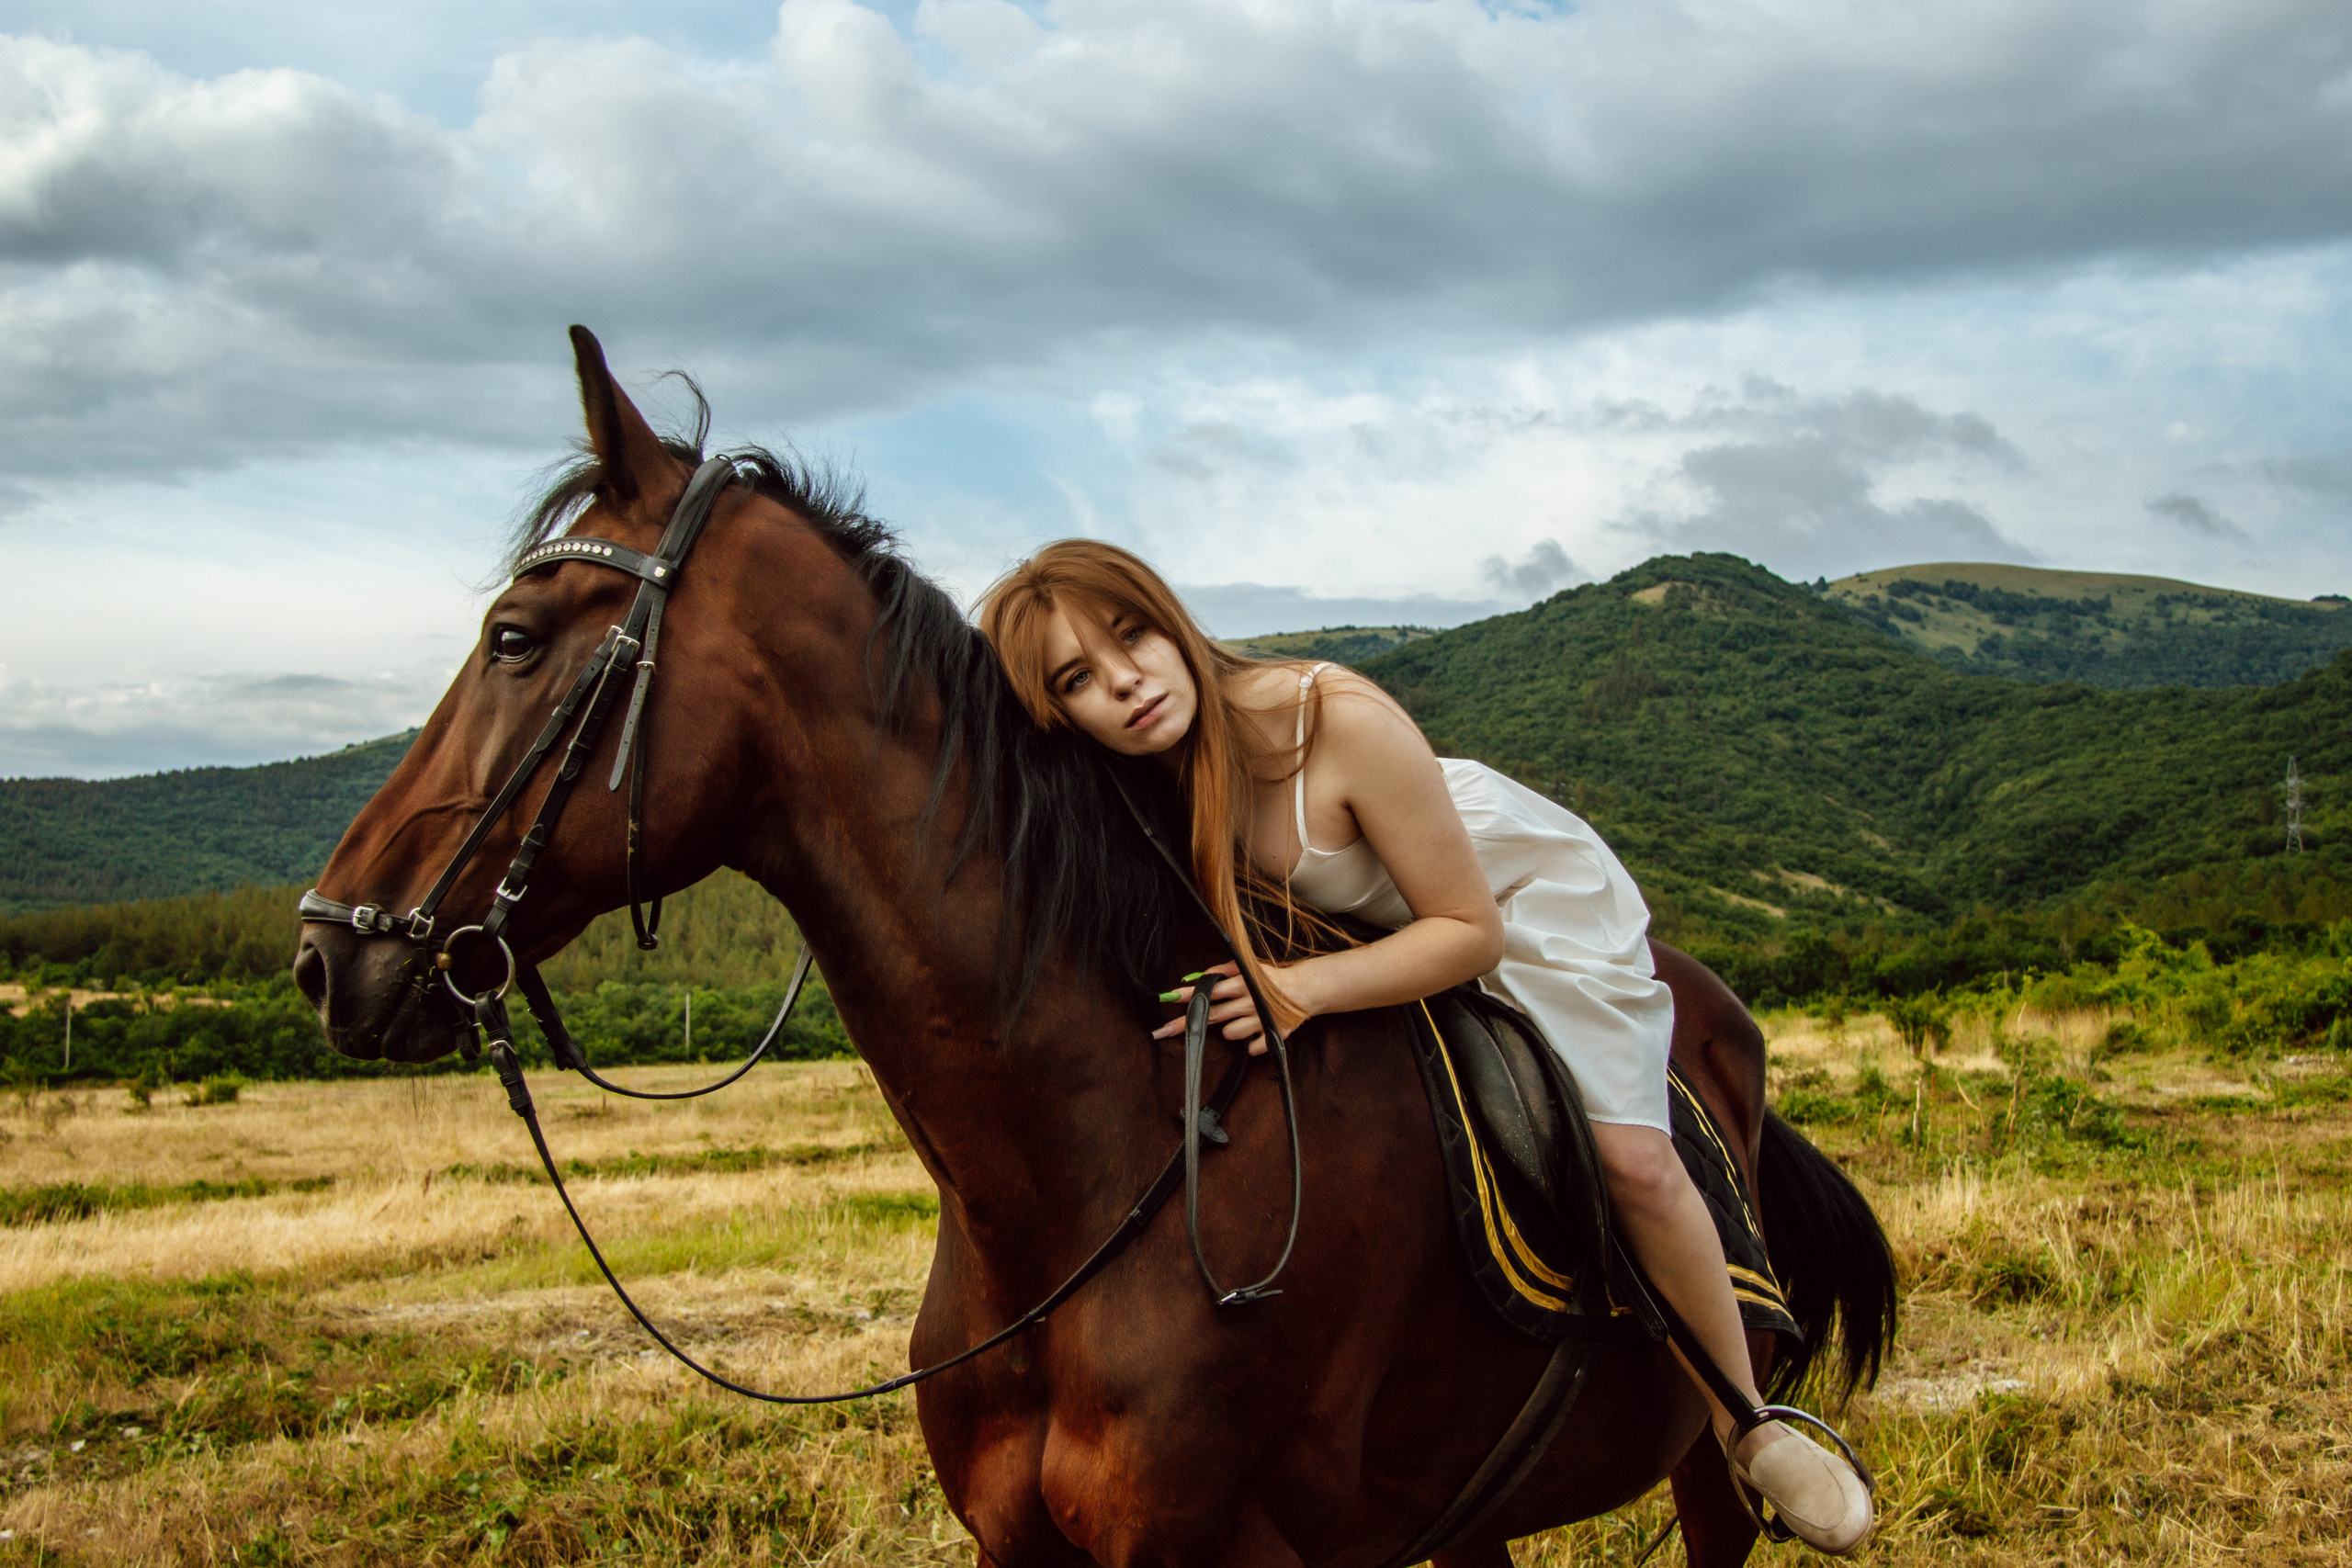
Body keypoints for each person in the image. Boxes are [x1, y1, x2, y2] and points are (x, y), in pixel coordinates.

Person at [976, 540, 1871, 1555]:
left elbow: (1467, 933)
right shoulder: (1133, 778)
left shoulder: (1330, 722)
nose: (1123, 683)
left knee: (1630, 1157)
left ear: (1169, 618)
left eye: (1128, 635)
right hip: (1360, 933)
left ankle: (1747, 1424)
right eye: (1076, 680)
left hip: (1509, 906)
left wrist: (1298, 991)